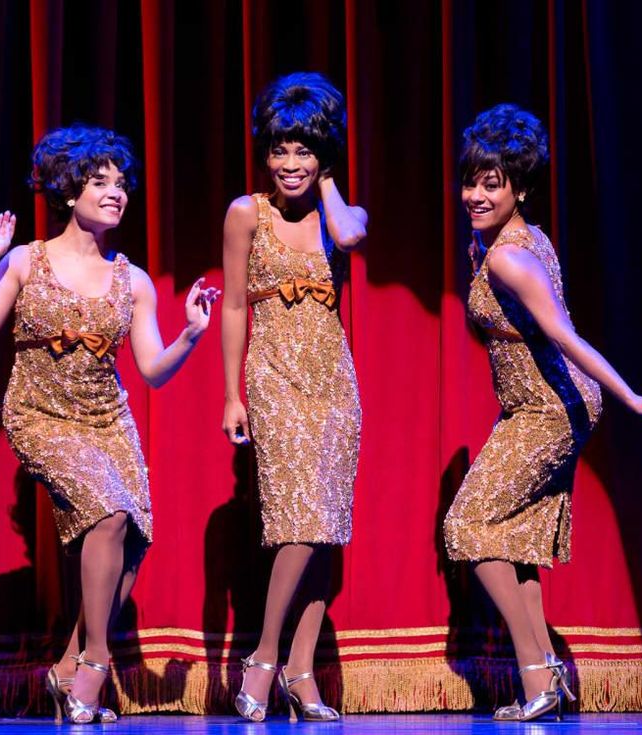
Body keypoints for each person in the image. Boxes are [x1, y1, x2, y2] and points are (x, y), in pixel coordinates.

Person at [0, 124, 219, 724]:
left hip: (109, 419)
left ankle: (67, 668)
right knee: (108, 510)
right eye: (100, 182)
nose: (116, 192)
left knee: (134, 538)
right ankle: (97, 663)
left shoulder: (134, 281)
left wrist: (191, 334)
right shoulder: (28, 260)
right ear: (68, 192)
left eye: (121, 183)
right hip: (39, 415)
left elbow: (152, 370)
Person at [442, 104, 642, 722]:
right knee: (510, 540)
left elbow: (566, 336)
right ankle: (545, 679)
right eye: (471, 181)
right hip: (532, 405)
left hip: (550, 409)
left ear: (521, 188)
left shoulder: (507, 257)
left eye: (493, 185)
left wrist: (630, 395)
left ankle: (539, 674)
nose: (476, 195)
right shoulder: (497, 239)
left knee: (465, 527)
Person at [221, 71, 367, 722]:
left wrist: (328, 180)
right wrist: (231, 395)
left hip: (334, 380)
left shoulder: (340, 218)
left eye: (304, 149)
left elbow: (354, 234)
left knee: (327, 527)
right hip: (274, 372)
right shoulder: (245, 212)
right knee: (299, 516)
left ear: (324, 153)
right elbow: (231, 307)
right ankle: (262, 656)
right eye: (280, 147)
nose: (289, 162)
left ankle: (301, 669)